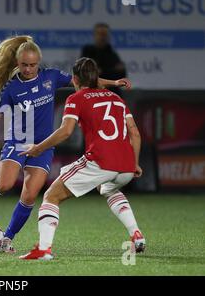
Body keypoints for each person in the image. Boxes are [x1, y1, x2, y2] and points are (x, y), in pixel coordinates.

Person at [0, 35, 131, 253]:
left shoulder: (51, 77)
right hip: (18, 141)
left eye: (33, 65)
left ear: (39, 62)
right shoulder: (10, 88)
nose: (28, 69)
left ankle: (7, 238)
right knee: (4, 184)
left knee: (30, 195)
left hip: (43, 146)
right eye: (24, 65)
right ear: (17, 63)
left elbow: (86, 81)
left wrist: (113, 82)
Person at [18, 57, 145, 260]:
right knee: (108, 188)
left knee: (51, 196)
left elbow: (65, 131)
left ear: (75, 79)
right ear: (96, 78)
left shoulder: (76, 99)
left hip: (101, 161)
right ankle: (136, 235)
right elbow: (135, 133)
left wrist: (38, 149)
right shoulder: (116, 99)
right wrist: (135, 162)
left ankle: (43, 250)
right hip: (127, 165)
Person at [81, 23, 127, 96]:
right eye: (99, 34)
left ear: (108, 36)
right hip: (92, 94)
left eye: (104, 34)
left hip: (112, 94)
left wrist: (101, 71)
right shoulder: (88, 51)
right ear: (94, 35)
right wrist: (112, 71)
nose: (102, 37)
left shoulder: (112, 54)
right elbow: (86, 74)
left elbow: (121, 76)